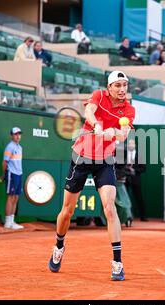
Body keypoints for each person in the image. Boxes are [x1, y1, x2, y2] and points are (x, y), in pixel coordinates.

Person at [48, 70, 135, 281]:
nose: (122, 89)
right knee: (67, 211)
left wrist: (111, 132)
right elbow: (89, 112)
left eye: (125, 85)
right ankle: (59, 245)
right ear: (109, 87)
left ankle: (117, 263)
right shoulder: (98, 95)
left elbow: (123, 135)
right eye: (118, 85)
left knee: (109, 208)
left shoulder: (129, 110)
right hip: (82, 158)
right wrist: (96, 125)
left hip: (105, 160)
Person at [0, 127, 24, 230]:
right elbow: (5, 162)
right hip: (11, 174)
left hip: (19, 174)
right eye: (15, 134)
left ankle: (12, 221)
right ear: (11, 136)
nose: (18, 136)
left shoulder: (20, 147)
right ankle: (7, 222)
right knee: (10, 197)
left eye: (19, 134)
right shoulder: (10, 147)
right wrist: (4, 174)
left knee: (16, 197)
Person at [123, 139, 147, 221]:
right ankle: (125, 216)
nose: (130, 145)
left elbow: (143, 168)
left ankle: (143, 216)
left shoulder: (140, 155)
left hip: (136, 179)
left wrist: (134, 170)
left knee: (139, 198)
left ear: (135, 145)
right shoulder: (124, 154)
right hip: (125, 179)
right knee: (124, 197)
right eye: (129, 144)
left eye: (132, 144)